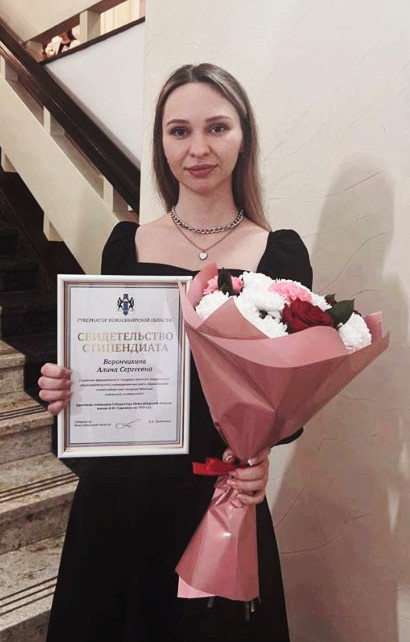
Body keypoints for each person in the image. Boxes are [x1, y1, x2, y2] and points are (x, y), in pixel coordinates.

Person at [38, 63, 312, 642]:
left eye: (217, 127)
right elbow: (106, 362)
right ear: (162, 145)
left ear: (244, 136)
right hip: (119, 502)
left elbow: (289, 398)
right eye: (179, 131)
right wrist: (67, 388)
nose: (198, 148)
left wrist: (263, 451)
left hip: (217, 501)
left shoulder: (278, 256)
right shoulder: (127, 245)